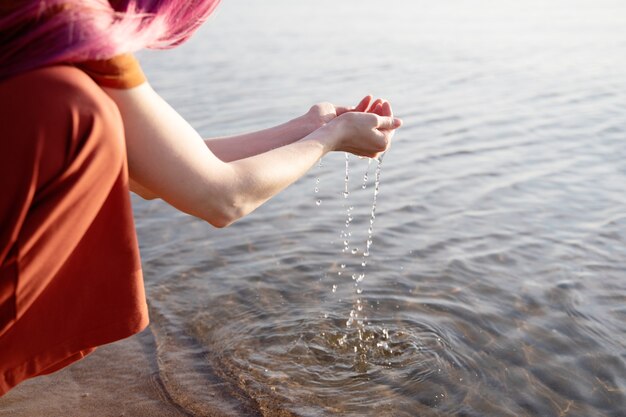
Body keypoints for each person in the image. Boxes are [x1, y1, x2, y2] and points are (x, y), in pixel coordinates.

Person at [0, 0, 402, 395]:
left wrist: (308, 128)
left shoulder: (46, 22)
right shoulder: (69, 21)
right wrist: (330, 139)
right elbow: (221, 198)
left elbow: (161, 171)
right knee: (80, 109)